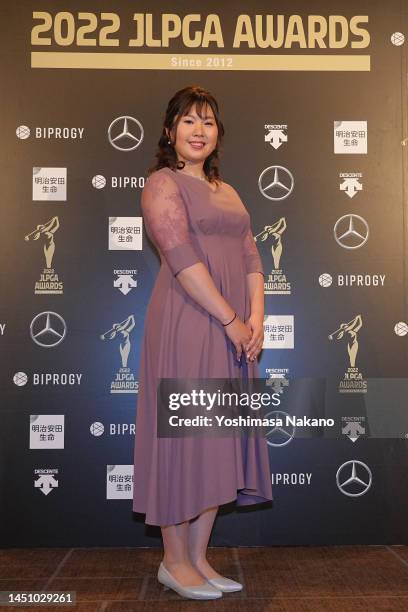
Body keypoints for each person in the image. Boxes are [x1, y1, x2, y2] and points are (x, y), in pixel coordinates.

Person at [132, 85, 273, 600]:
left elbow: (253, 258)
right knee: (185, 439)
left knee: (217, 441)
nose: (199, 130)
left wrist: (256, 316)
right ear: (171, 131)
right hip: (188, 324)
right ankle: (173, 561)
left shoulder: (229, 191)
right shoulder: (161, 184)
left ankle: (197, 557)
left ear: (217, 134)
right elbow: (182, 259)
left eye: (208, 122)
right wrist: (231, 318)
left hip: (233, 328)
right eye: (188, 121)